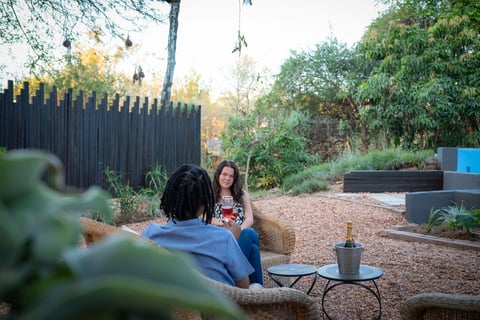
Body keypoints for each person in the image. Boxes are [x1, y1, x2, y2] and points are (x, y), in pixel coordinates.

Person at [141, 164, 254, 288]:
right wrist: (234, 240)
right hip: (216, 305)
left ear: (170, 196)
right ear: (204, 203)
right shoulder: (224, 238)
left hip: (171, 303)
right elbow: (244, 286)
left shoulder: (150, 234)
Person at [212, 160, 263, 286]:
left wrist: (238, 230)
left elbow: (249, 218)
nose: (227, 178)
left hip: (240, 234)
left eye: (231, 176)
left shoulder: (242, 194)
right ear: (218, 174)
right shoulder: (210, 194)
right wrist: (219, 222)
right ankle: (258, 290)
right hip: (221, 237)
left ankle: (234, 279)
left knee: (249, 234)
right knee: (253, 248)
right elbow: (202, 216)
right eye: (224, 174)